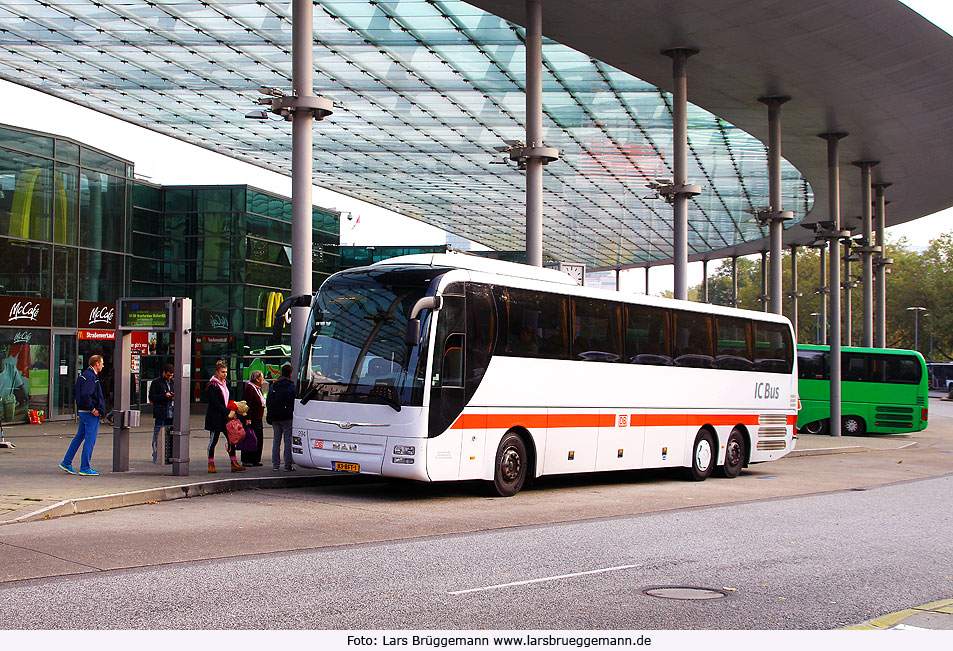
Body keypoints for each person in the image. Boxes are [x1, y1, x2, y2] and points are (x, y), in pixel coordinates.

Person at [59, 354, 106, 476]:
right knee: (90, 440)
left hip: (83, 412)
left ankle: (66, 462)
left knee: (79, 437)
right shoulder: (91, 377)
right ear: (96, 364)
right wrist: (93, 409)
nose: (103, 365)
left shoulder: (83, 376)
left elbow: (76, 392)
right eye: (101, 363)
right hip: (90, 414)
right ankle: (85, 467)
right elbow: (86, 394)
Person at [205, 360, 244, 473]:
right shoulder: (212, 385)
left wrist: (234, 407)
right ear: (217, 373)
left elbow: (229, 398)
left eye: (226, 372)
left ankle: (234, 462)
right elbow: (215, 403)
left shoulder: (224, 384)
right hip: (216, 418)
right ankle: (210, 463)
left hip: (226, 418)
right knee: (213, 441)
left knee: (232, 439)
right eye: (222, 372)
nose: (225, 374)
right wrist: (228, 412)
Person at [267, 362, 296, 471]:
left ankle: (275, 465)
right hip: (286, 416)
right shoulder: (290, 385)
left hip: (275, 416)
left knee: (276, 440)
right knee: (287, 440)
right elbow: (293, 400)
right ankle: (287, 465)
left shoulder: (274, 385)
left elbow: (269, 400)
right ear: (290, 374)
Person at [148, 364, 174, 464]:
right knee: (158, 433)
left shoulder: (173, 382)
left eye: (171, 375)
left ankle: (169, 455)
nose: (169, 377)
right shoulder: (156, 382)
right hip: (161, 411)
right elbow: (152, 397)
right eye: (168, 375)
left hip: (171, 411)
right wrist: (164, 396)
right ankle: (156, 454)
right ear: (164, 372)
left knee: (170, 434)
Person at [241, 369, 266, 466]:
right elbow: (247, 404)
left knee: (258, 438)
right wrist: (248, 418)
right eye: (261, 377)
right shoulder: (250, 389)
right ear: (256, 379)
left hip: (258, 418)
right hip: (252, 418)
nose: (263, 379)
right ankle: (247, 459)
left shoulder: (258, 389)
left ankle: (256, 459)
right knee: (250, 437)